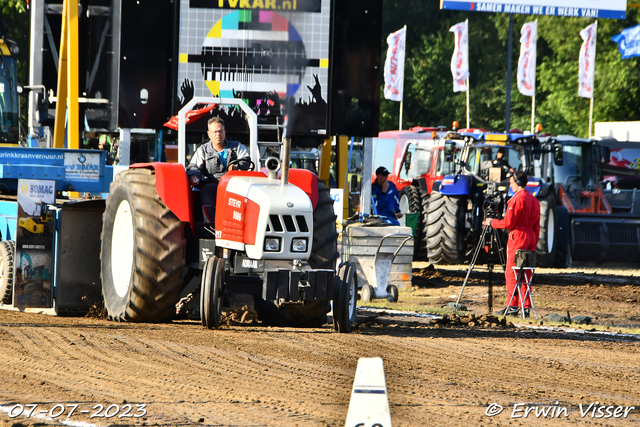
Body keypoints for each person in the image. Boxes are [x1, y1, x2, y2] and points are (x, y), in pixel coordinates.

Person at [483, 171, 540, 317]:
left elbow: (508, 222)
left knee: (512, 272)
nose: (510, 185)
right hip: (531, 236)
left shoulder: (516, 199)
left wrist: (492, 222)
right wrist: (534, 240)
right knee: (526, 272)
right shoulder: (534, 200)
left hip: (518, 236)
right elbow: (537, 225)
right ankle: (525, 307)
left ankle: (512, 306)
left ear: (518, 183)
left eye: (511, 183)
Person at [187, 117, 251, 224]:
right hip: (213, 185)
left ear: (224, 132)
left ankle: (244, 224)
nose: (218, 134)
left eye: (220, 131)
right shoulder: (202, 150)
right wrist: (194, 177)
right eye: (215, 132)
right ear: (209, 134)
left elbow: (246, 160)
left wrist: (237, 166)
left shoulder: (237, 146)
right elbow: (194, 167)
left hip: (235, 184)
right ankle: (210, 225)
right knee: (206, 190)